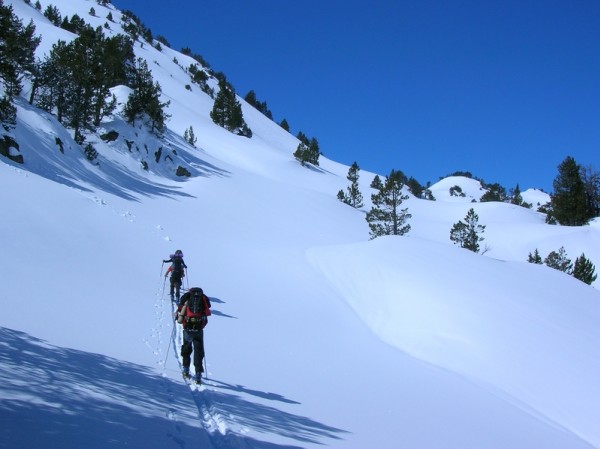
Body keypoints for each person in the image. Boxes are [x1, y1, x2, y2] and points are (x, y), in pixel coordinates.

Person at [175, 287, 211, 384]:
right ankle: (198, 373)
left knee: (186, 347)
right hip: (199, 329)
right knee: (198, 350)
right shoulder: (203, 298)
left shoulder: (186, 297)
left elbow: (179, 308)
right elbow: (208, 312)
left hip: (187, 328)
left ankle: (186, 369)